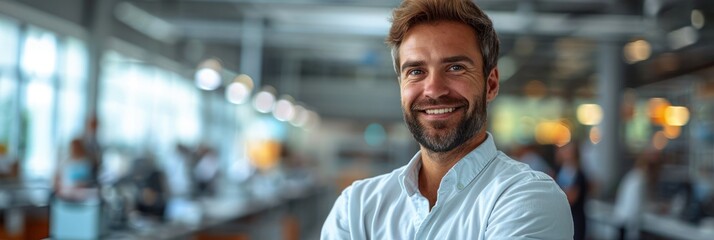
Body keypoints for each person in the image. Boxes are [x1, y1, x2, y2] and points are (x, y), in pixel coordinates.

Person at [321, 0, 573, 239]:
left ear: (491, 84)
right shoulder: (356, 206)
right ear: (401, 87)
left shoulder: (528, 197)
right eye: (416, 71)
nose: (434, 89)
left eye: (455, 68)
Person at [555, 142, 590, 240]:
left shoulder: (579, 174)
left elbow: (572, 198)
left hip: (575, 218)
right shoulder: (559, 170)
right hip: (561, 217)